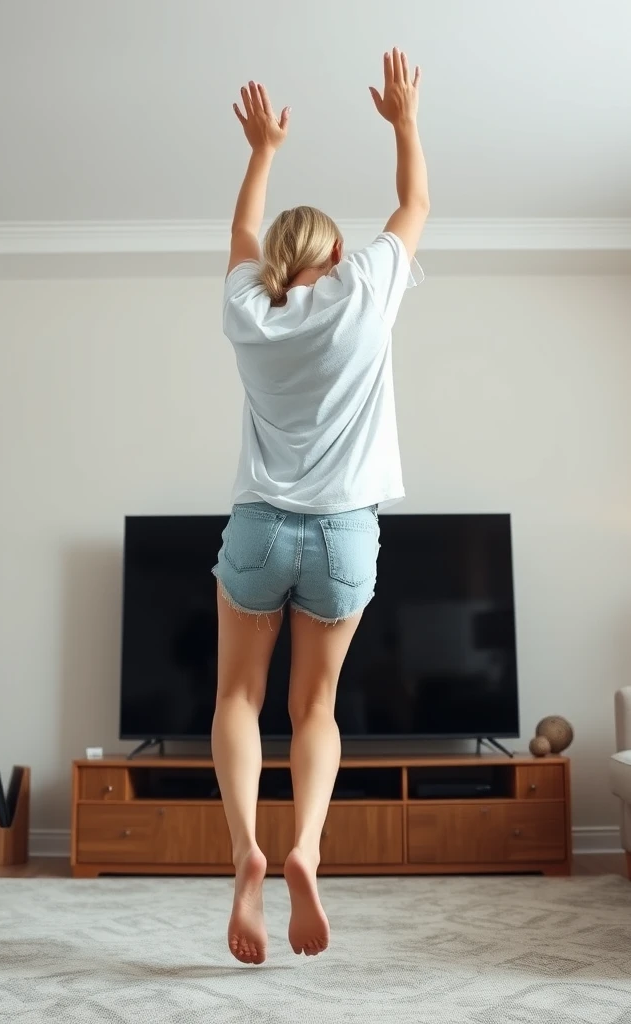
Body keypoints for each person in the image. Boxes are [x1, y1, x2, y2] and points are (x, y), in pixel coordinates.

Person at [212, 49, 429, 965]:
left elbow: (242, 238)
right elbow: (413, 208)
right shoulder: (365, 292)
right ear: (338, 254)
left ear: (274, 265)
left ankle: (245, 856)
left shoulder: (248, 311)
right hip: (346, 534)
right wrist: (403, 121)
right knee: (315, 710)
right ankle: (305, 846)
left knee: (236, 695)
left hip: (260, 527)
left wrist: (262, 149)